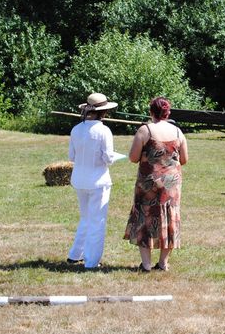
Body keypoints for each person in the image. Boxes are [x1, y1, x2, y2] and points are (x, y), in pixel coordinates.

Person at [124, 97, 188, 272]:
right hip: (171, 184)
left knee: (145, 217)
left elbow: (133, 157)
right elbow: (184, 159)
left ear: (151, 112)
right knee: (170, 218)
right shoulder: (177, 132)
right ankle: (163, 263)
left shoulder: (145, 131)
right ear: (168, 113)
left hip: (149, 183)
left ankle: (146, 264)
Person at [67, 93, 120, 269]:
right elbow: (108, 158)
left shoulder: (76, 129)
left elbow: (71, 156)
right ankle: (91, 261)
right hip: (98, 181)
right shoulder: (104, 131)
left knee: (86, 218)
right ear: (103, 113)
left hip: (79, 179)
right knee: (97, 221)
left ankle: (75, 254)